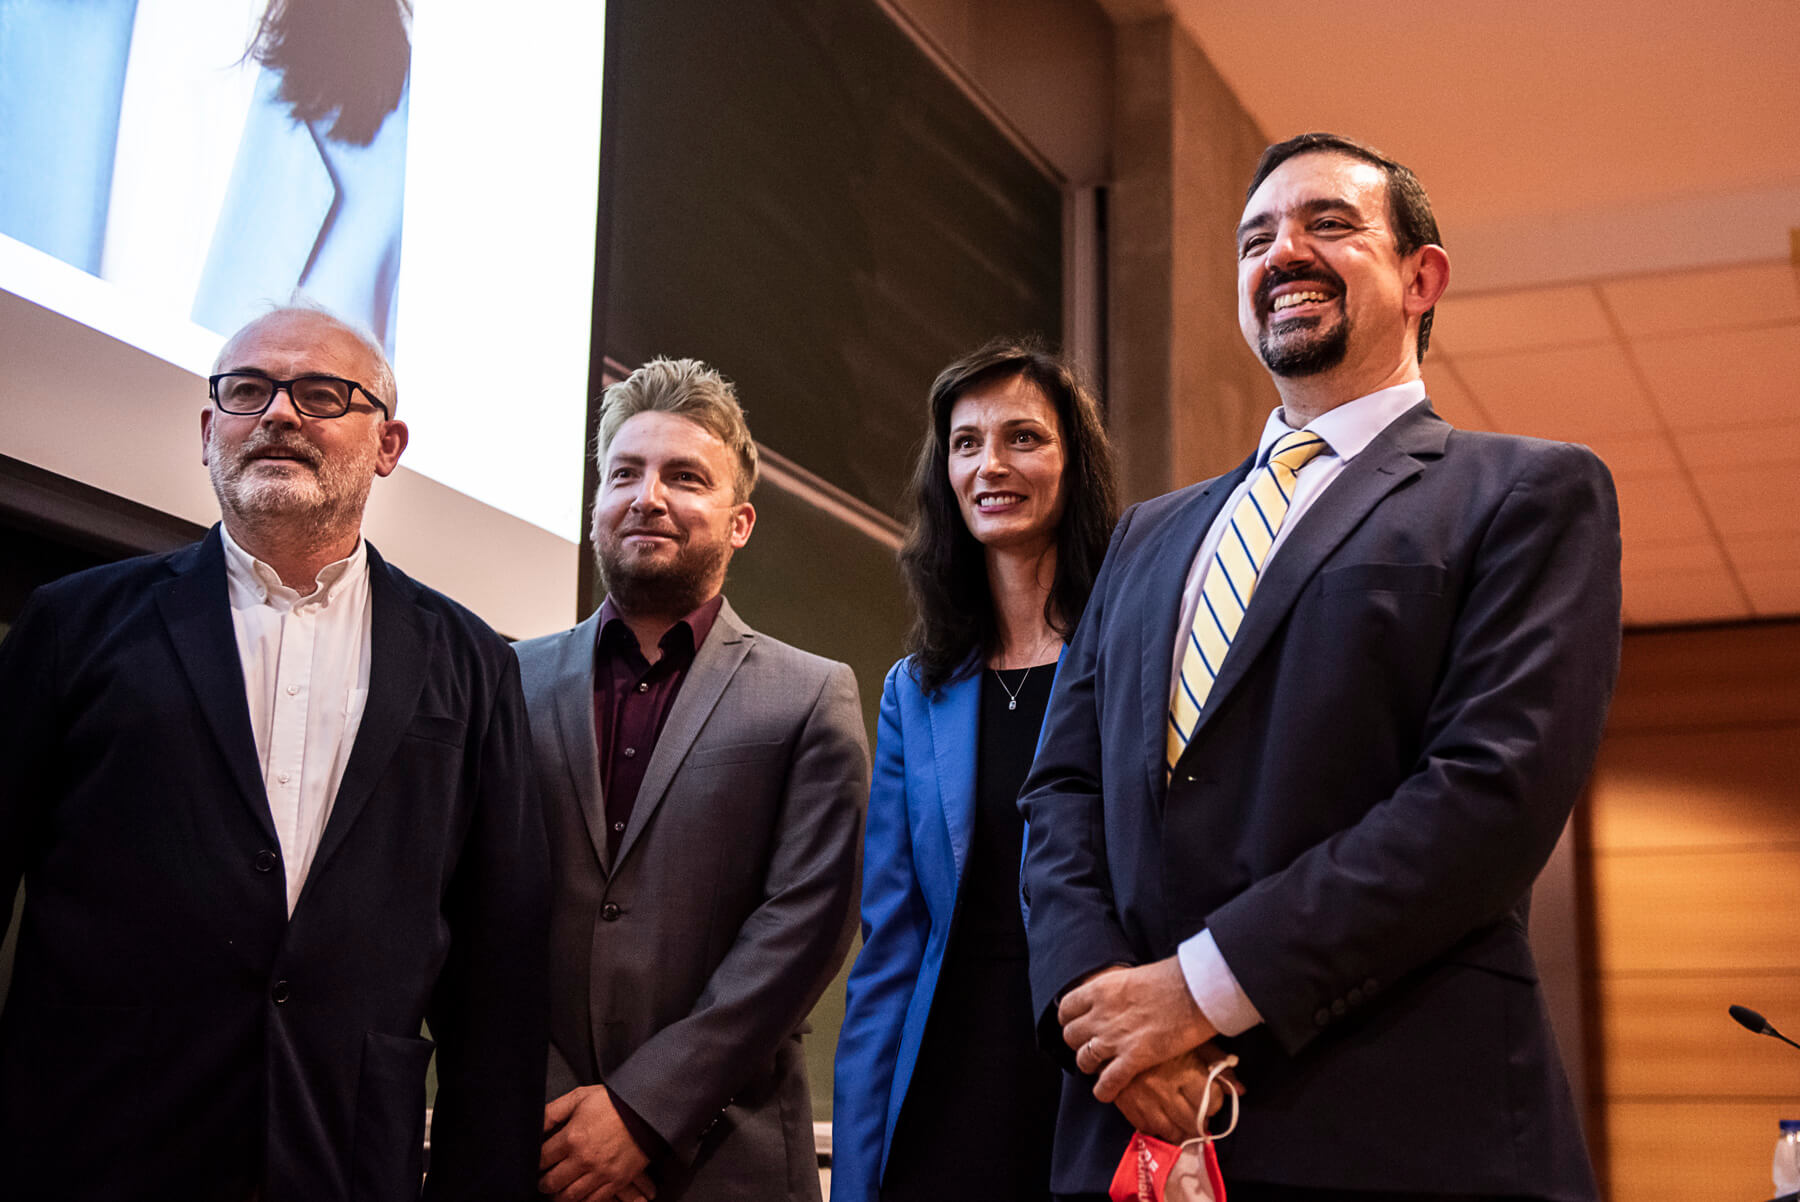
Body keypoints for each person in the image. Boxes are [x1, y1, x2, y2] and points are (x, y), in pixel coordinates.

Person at [1021, 132, 1621, 1202]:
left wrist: (1199, 990)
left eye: (1328, 225)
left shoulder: (1525, 495)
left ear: (1420, 276)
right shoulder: (1146, 536)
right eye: (1256, 239)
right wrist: (1102, 997)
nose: (1282, 252)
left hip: (1401, 1125)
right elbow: (1060, 789)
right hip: (1131, 1123)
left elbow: (1486, 796)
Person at [0, 302, 550, 1200]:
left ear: (388, 443)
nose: (280, 414)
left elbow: (501, 978)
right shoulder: (74, 625)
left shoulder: (473, 662)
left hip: (342, 1159)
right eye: (248, 391)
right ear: (210, 428)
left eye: (322, 394)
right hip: (91, 1150)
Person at [514, 357, 870, 1202]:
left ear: (739, 521)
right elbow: (471, 913)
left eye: (685, 478)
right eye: (625, 474)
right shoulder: (505, 683)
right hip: (535, 1154)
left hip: (725, 1164)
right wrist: (569, 1117)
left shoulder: (812, 695)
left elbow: (805, 931)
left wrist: (639, 1117)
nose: (649, 497)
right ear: (597, 503)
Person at [832, 342, 1121, 1202]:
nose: (991, 464)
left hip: (1090, 1086)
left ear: (1075, 464)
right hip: (945, 1098)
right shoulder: (916, 692)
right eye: (966, 443)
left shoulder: (1128, 659)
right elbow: (891, 943)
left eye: (1023, 437)